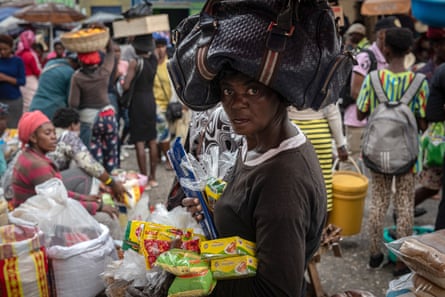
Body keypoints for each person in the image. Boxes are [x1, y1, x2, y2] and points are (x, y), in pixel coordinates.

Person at [182, 68, 327, 296]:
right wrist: (215, 210)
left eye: (253, 90)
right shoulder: (259, 141)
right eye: (228, 90)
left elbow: (275, 291)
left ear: (282, 93)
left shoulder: (282, 181)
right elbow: (251, 218)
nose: (237, 103)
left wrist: (195, 269)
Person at [356, 27, 429, 276]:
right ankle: (402, 263)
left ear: (385, 49)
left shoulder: (373, 79)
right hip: (407, 156)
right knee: (405, 205)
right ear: (409, 50)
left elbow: (359, 113)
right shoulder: (419, 81)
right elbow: (422, 123)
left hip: (377, 154)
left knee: (378, 203)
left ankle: (375, 256)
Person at [11, 111, 119, 221]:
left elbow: (58, 193)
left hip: (39, 209)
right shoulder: (37, 165)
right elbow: (59, 202)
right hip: (36, 218)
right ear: (33, 138)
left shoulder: (31, 155)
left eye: (54, 133)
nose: (54, 137)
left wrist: (84, 198)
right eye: (48, 133)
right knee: (109, 219)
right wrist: (98, 206)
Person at [342, 16, 401, 173]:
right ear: (381, 34)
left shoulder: (388, 59)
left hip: (377, 123)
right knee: (351, 165)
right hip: (357, 122)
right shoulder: (366, 57)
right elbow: (356, 92)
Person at [49, 108, 126, 203]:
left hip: (40, 182)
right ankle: (85, 210)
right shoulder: (68, 136)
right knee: (85, 173)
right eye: (79, 126)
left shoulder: (50, 133)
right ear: (73, 125)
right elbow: (89, 165)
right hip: (48, 185)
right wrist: (112, 183)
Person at [288, 103, 348, 219]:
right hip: (319, 133)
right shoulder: (323, 84)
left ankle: (298, 219)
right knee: (323, 181)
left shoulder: (288, 85)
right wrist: (340, 145)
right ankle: (320, 227)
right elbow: (333, 113)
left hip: (293, 132)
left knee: (294, 181)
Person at [69, 37, 119, 173]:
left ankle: (98, 188)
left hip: (90, 121)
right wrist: (106, 37)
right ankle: (113, 183)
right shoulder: (104, 72)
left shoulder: (77, 77)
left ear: (80, 61)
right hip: (108, 117)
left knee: (92, 160)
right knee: (111, 155)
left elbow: (74, 103)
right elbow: (111, 52)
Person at [414, 27, 445, 212]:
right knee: (430, 186)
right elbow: (427, 111)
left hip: (435, 137)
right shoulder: (425, 72)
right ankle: (403, 211)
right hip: (435, 139)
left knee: (431, 186)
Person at [123, 34, 159, 189]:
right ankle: (153, 178)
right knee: (152, 140)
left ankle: (144, 178)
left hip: (137, 102)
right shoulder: (154, 60)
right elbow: (155, 50)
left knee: (139, 141)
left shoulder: (134, 63)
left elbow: (126, 86)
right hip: (150, 100)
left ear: (136, 48)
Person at [29, 52, 79, 120]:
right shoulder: (70, 73)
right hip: (53, 111)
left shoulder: (50, 63)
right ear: (75, 63)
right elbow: (70, 100)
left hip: (35, 107)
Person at [0, 34, 25, 128]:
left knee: (13, 127)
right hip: (0, 100)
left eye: (5, 49)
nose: (2, 52)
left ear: (11, 48)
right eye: (0, 49)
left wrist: (5, 78)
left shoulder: (17, 61)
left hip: (14, 100)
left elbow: (22, 81)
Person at [15, 30, 41, 113]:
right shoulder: (30, 55)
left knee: (25, 104)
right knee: (32, 103)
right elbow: (37, 71)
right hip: (31, 81)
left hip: (21, 81)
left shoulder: (19, 53)